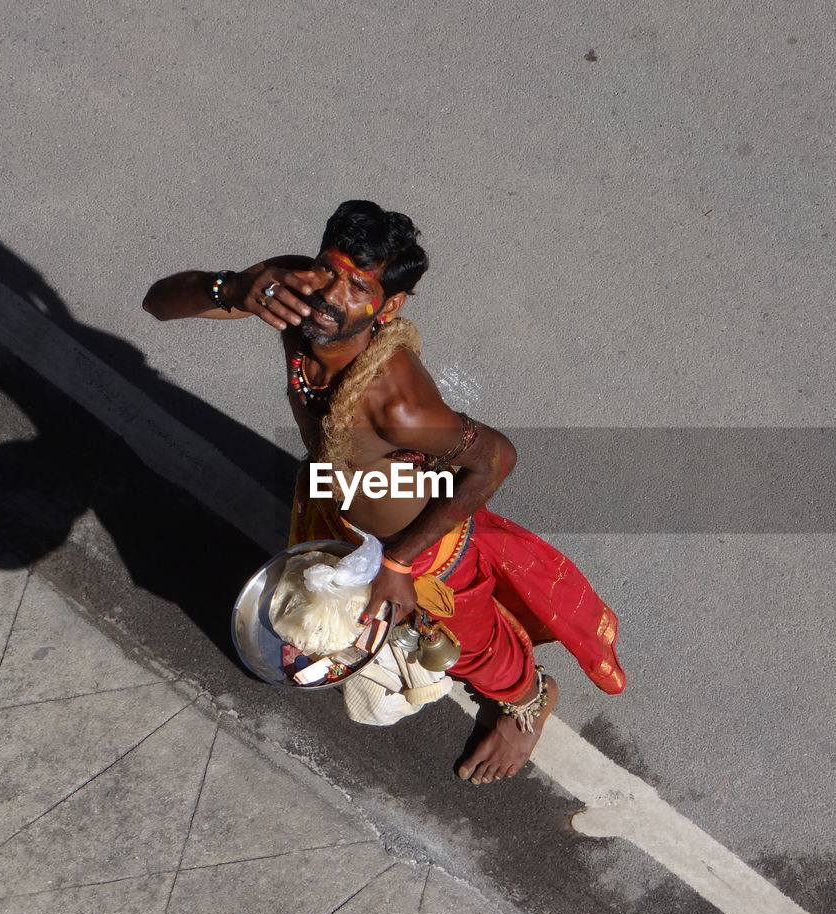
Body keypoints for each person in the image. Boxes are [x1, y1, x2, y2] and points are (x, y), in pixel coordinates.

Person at [143, 200, 624, 784]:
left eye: (356, 285)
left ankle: (527, 702)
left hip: (423, 554)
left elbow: (496, 463)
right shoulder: (290, 291)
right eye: (328, 267)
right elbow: (158, 303)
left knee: (473, 648)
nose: (327, 293)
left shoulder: (399, 403)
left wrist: (396, 563)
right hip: (334, 505)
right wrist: (234, 287)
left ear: (388, 305)